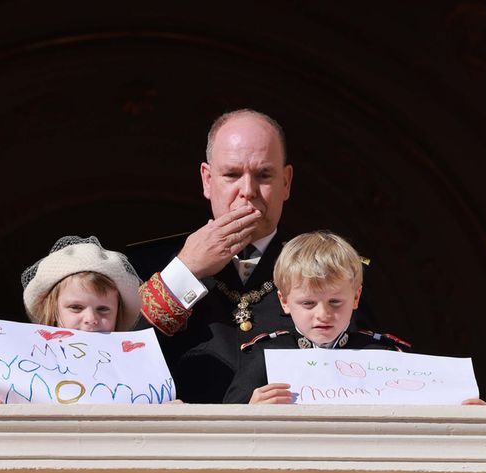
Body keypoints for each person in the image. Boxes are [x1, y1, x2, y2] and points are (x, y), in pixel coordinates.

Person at [138, 109, 296, 403]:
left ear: (286, 182)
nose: (247, 191)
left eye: (264, 175)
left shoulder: (327, 268)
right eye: (232, 175)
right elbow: (114, 358)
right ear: (207, 180)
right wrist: (185, 271)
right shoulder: (149, 265)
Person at [223, 231, 412, 404]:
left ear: (355, 297)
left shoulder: (384, 355)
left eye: (335, 302)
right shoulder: (265, 354)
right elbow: (226, 427)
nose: (323, 315)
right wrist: (250, 410)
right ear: (285, 301)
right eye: (308, 303)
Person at [0, 234, 142, 404]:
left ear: (118, 313)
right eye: (76, 308)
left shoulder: (135, 371)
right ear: (53, 311)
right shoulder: (22, 366)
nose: (91, 319)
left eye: (103, 309)